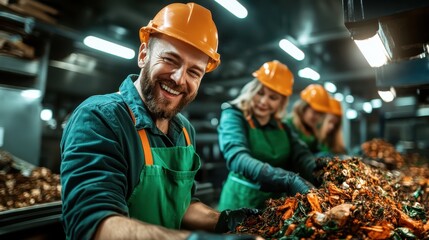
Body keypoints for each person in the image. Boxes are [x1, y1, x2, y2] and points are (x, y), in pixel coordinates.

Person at [60, 3, 263, 240]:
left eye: (194, 72)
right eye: (171, 60)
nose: (179, 78)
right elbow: (94, 225)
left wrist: (225, 221)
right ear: (143, 54)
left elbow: (182, 205)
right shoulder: (99, 118)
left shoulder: (185, 131)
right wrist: (193, 239)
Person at [217, 60, 316, 211]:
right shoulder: (234, 115)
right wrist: (284, 179)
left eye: (273, 98)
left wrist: (321, 169)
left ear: (281, 102)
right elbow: (237, 157)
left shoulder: (283, 126)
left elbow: (301, 155)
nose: (263, 101)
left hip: (274, 206)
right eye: (260, 93)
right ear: (252, 90)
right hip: (240, 202)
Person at [286, 84, 331, 154]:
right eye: (314, 112)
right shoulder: (288, 124)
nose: (317, 117)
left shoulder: (314, 129)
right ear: (303, 108)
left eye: (320, 113)